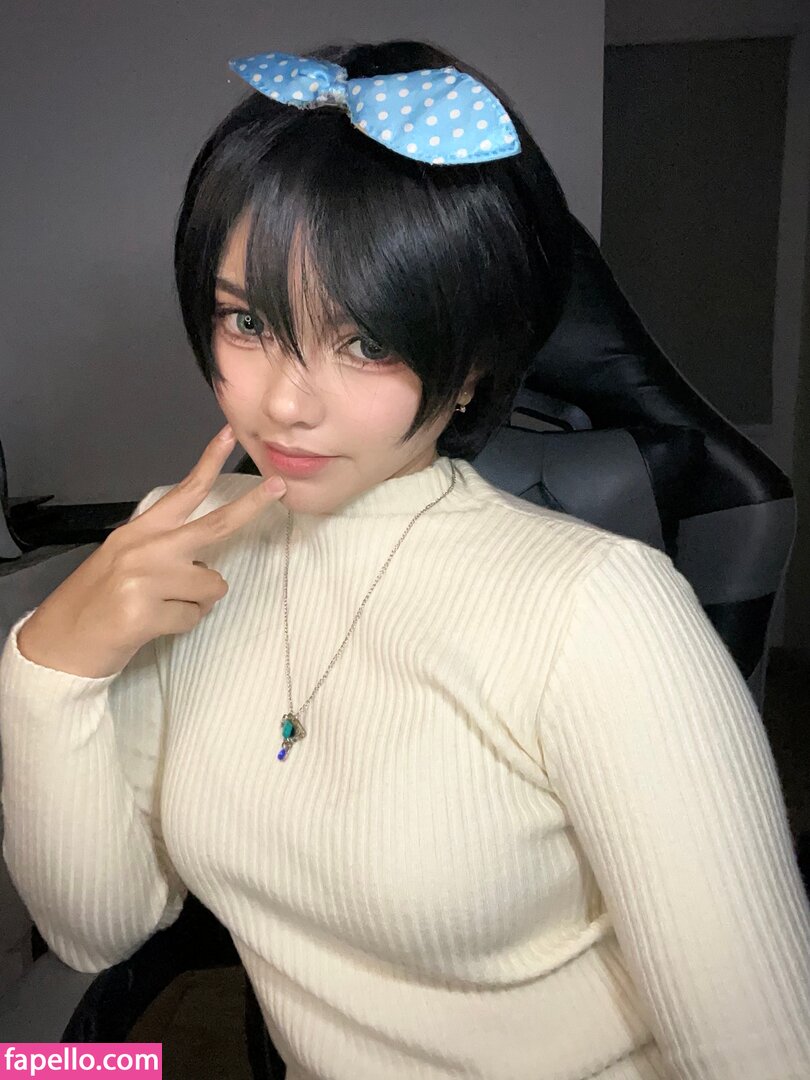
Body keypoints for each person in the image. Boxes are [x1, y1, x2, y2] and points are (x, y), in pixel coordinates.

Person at [2, 37, 810, 1080]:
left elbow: (763, 1054)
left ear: (470, 367)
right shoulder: (179, 545)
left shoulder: (603, 611)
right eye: (247, 320)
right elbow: (96, 930)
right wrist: (49, 665)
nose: (282, 403)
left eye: (367, 341)